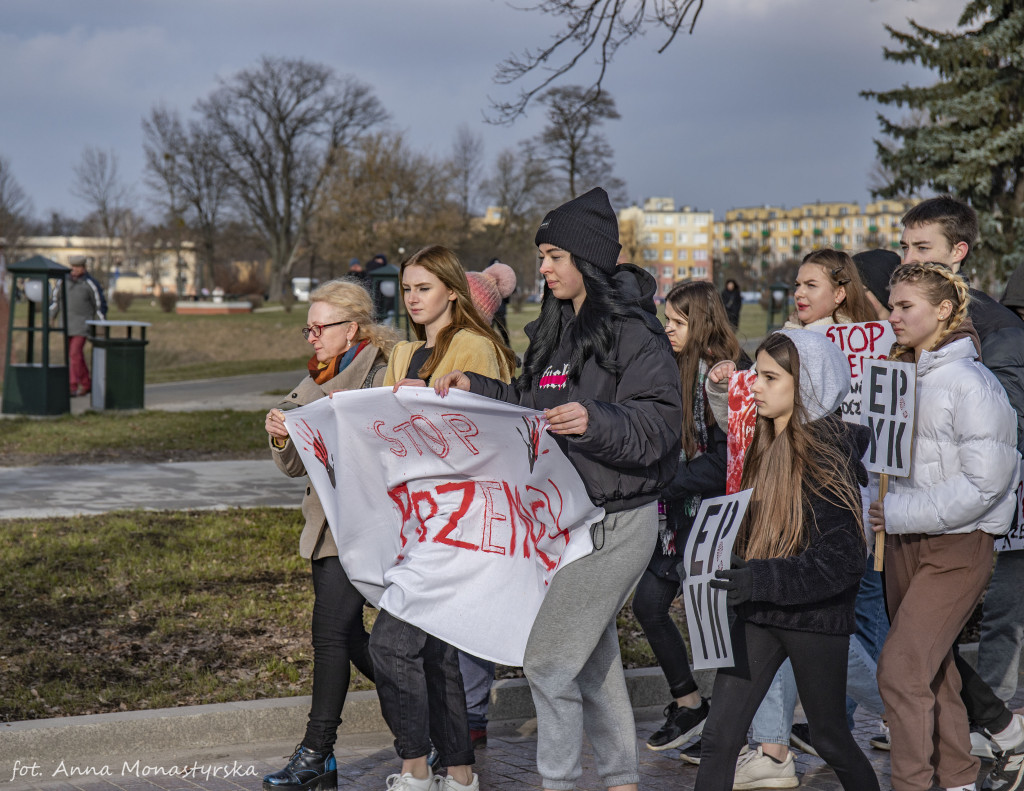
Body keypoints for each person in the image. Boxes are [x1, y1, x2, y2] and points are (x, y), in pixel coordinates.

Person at [433, 187, 682, 791]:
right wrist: (479, 391)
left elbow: (660, 424)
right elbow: (531, 406)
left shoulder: (634, 332)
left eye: (552, 256)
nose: (542, 269)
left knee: (547, 661)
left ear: (586, 260)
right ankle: (623, 780)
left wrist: (595, 420)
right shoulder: (558, 331)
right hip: (564, 523)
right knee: (592, 663)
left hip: (619, 522)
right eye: (542, 256)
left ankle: (560, 782)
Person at [695, 329, 880, 791]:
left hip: (814, 619)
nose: (753, 385)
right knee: (720, 737)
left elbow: (842, 561)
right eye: (756, 373)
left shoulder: (827, 460)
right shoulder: (760, 441)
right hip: (758, 611)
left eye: (769, 377)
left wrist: (758, 578)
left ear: (807, 387)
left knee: (831, 737)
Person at [869, 262, 1020, 791]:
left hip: (957, 548)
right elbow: (882, 465)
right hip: (903, 543)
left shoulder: (972, 383)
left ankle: (911, 784)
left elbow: (988, 484)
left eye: (905, 306)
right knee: (936, 674)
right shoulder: (899, 375)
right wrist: (877, 508)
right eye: (891, 305)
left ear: (945, 310)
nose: (893, 316)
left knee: (901, 669)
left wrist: (898, 512)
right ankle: (958, 780)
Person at [372, 244, 515, 791]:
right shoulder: (405, 353)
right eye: (406, 289)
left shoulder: (475, 347)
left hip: (459, 522)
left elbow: (483, 439)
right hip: (415, 520)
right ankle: (458, 773)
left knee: (391, 644)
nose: (411, 298)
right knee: (435, 653)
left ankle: (413, 768)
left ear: (453, 291)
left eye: (424, 288)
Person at [262, 279, 399, 791]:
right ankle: (422, 716)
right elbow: (295, 467)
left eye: (321, 328)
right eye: (309, 328)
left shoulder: (380, 377)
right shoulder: (317, 377)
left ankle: (317, 752)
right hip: (325, 531)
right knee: (349, 637)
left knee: (329, 636)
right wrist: (281, 434)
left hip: (360, 529)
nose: (312, 338)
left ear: (354, 329)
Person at [635, 280, 747, 753]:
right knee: (649, 606)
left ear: (701, 322)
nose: (668, 328)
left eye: (678, 321)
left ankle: (729, 730)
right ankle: (689, 704)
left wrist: (667, 481)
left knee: (720, 624)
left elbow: (727, 459)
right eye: (667, 319)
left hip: (716, 518)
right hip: (678, 519)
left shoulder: (720, 374)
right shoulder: (675, 367)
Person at [455, 258, 519, 750]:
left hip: (481, 496)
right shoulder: (478, 346)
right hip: (471, 495)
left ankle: (472, 709)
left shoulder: (480, 351)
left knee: (471, 607)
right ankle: (470, 708)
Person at [57, 255, 107, 397]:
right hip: (67, 324)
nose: (74, 270)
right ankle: (82, 384)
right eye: (73, 267)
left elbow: (100, 305)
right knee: (74, 356)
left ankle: (76, 385)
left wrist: (101, 324)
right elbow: (56, 300)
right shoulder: (64, 281)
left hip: (83, 325)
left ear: (84, 268)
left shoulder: (90, 283)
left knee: (74, 354)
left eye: (77, 267)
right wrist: (51, 316)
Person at [786, 249, 876, 328]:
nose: (798, 293)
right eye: (797, 285)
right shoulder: (791, 329)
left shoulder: (852, 340)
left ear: (839, 294)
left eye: (811, 285)